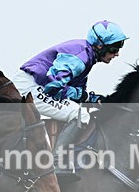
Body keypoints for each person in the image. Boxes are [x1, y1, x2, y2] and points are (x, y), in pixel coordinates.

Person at [11, 20, 127, 181]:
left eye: (119, 49)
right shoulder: (80, 58)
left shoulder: (87, 56)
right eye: (114, 49)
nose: (117, 54)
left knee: (78, 111)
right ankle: (57, 165)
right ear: (99, 46)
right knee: (79, 115)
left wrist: (94, 99)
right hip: (30, 87)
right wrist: (86, 97)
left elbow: (77, 93)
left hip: (36, 85)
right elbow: (53, 88)